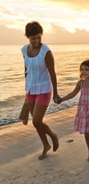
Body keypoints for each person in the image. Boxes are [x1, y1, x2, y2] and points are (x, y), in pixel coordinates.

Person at [22, 21, 60, 160]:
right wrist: (26, 90)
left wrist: (55, 92)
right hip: (31, 90)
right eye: (33, 38)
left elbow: (52, 72)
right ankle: (46, 146)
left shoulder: (46, 51)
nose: (37, 40)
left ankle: (53, 136)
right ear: (28, 37)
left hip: (44, 89)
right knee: (36, 123)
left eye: (39, 37)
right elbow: (26, 69)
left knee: (37, 121)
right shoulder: (23, 50)